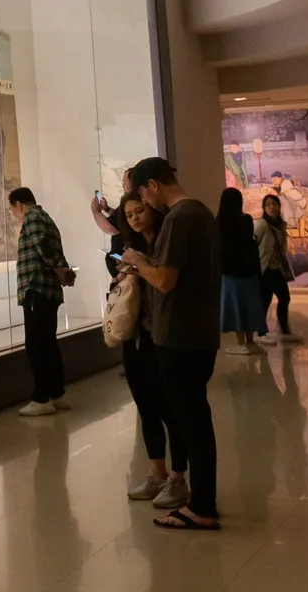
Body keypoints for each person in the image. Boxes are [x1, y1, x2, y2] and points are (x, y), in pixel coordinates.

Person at [121, 157, 223, 531]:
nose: (146, 204)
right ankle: (202, 501)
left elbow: (165, 280)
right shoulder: (202, 214)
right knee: (197, 420)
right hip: (199, 333)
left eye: (144, 195)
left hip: (179, 337)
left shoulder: (179, 219)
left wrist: (138, 262)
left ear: (152, 186)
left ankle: (202, 507)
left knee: (192, 423)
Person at [114, 195, 190, 510]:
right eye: (129, 214)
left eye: (139, 211)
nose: (135, 218)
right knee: (145, 405)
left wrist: (140, 266)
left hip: (164, 336)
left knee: (170, 408)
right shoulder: (131, 247)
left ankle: (178, 478)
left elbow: (165, 282)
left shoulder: (164, 243)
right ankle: (156, 473)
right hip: (136, 335)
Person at [9, 187, 71, 416]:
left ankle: (42, 397)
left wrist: (58, 268)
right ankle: (57, 393)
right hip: (47, 290)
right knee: (48, 343)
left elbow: (43, 247)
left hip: (36, 288)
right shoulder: (46, 218)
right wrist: (62, 268)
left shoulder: (32, 217)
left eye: (12, 210)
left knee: (37, 346)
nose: (14, 215)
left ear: (18, 205)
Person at [217, 188, 266, 355]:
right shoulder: (246, 219)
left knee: (235, 307)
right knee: (249, 306)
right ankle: (251, 341)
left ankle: (241, 343)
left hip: (229, 273)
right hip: (249, 271)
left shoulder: (219, 222)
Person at [254, 194, 299, 345]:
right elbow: (254, 243)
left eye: (274, 204)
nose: (271, 207)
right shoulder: (261, 225)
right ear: (264, 208)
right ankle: (261, 333)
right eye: (268, 205)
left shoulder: (281, 225)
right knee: (265, 301)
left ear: (279, 206)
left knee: (284, 298)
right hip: (265, 269)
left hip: (277, 268)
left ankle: (284, 331)